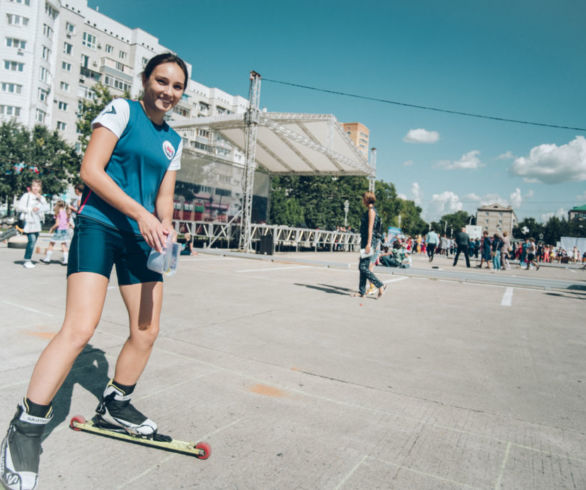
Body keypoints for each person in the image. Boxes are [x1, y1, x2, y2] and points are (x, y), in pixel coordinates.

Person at [1, 52, 188, 490]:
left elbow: (163, 197)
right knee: (80, 328)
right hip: (100, 225)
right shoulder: (123, 110)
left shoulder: (173, 142)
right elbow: (91, 170)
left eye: (177, 86)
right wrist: (140, 214)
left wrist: (165, 223)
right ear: (145, 80)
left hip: (142, 237)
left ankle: (116, 405)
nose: (168, 92)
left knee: (147, 330)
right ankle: (25, 429)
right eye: (161, 81)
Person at [353, 191, 385, 298]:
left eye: (363, 199)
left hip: (369, 241)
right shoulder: (370, 210)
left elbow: (370, 229)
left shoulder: (371, 211)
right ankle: (361, 291)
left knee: (362, 267)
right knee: (363, 265)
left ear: (367, 199)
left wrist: (368, 244)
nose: (362, 201)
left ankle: (379, 285)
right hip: (366, 240)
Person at [15, 179, 49, 269]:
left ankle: (28, 259)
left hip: (37, 222)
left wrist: (40, 199)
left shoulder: (42, 198)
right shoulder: (27, 196)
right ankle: (27, 260)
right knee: (32, 240)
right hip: (29, 220)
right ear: (31, 187)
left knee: (34, 241)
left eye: (37, 186)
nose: (35, 188)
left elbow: (47, 208)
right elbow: (19, 207)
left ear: (40, 188)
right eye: (34, 186)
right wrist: (30, 209)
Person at [41, 201, 71, 265]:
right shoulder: (67, 213)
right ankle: (66, 260)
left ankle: (47, 259)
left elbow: (57, 224)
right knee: (64, 245)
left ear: (58, 206)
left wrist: (51, 228)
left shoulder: (58, 213)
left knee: (51, 244)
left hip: (59, 230)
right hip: (65, 230)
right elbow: (68, 224)